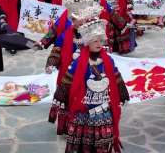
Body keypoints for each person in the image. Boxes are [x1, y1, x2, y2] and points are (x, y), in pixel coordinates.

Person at [52, 18, 129, 152]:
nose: (99, 43)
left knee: (103, 143)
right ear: (88, 42)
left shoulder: (108, 59)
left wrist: (122, 94)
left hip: (103, 107)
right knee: (84, 143)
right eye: (95, 40)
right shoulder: (79, 62)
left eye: (101, 40)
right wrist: (61, 97)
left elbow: (116, 77)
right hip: (84, 108)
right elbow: (68, 80)